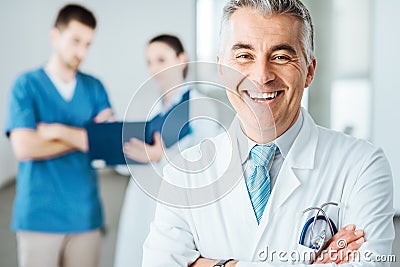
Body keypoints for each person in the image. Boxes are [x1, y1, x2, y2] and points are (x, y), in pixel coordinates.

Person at [142, 0, 395, 266]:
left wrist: (212, 264)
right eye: (244, 56)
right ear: (221, 69)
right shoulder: (182, 172)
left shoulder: (362, 165)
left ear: (309, 71)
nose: (261, 76)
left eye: (281, 57)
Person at [5, 4, 114, 267]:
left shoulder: (94, 87)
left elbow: (108, 145)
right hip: (39, 216)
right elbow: (24, 148)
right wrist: (86, 138)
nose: (82, 52)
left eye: (88, 44)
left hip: (85, 216)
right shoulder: (26, 85)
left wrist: (56, 131)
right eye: (76, 41)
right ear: (55, 36)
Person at [114, 34, 222, 267]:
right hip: (140, 198)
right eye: (149, 61)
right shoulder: (144, 108)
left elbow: (209, 160)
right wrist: (114, 141)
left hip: (180, 202)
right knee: (136, 254)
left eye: (161, 59)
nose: (154, 68)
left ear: (182, 59)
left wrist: (161, 156)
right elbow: (124, 165)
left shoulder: (201, 105)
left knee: (173, 255)